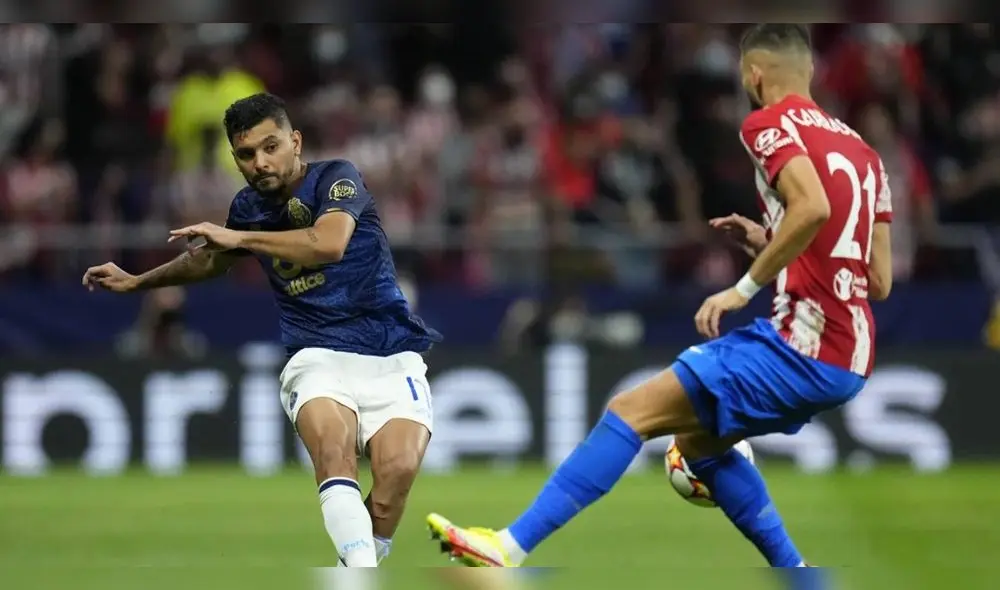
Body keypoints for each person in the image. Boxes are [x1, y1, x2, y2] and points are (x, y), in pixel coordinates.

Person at [425, 23, 893, 569]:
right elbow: (877, 278)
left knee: (629, 411)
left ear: (753, 75)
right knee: (698, 447)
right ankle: (800, 577)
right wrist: (770, 243)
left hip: (801, 345)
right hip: (850, 355)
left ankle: (506, 547)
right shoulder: (864, 153)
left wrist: (742, 288)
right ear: (809, 69)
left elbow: (811, 208)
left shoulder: (768, 123)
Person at [83, 92, 442, 567]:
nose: (260, 163)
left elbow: (329, 243)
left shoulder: (337, 178)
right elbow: (210, 261)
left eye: (271, 147)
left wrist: (240, 237)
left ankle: (350, 572)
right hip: (316, 355)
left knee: (396, 473)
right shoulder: (248, 207)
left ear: (296, 142)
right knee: (333, 454)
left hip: (391, 353)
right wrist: (137, 281)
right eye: (246, 154)